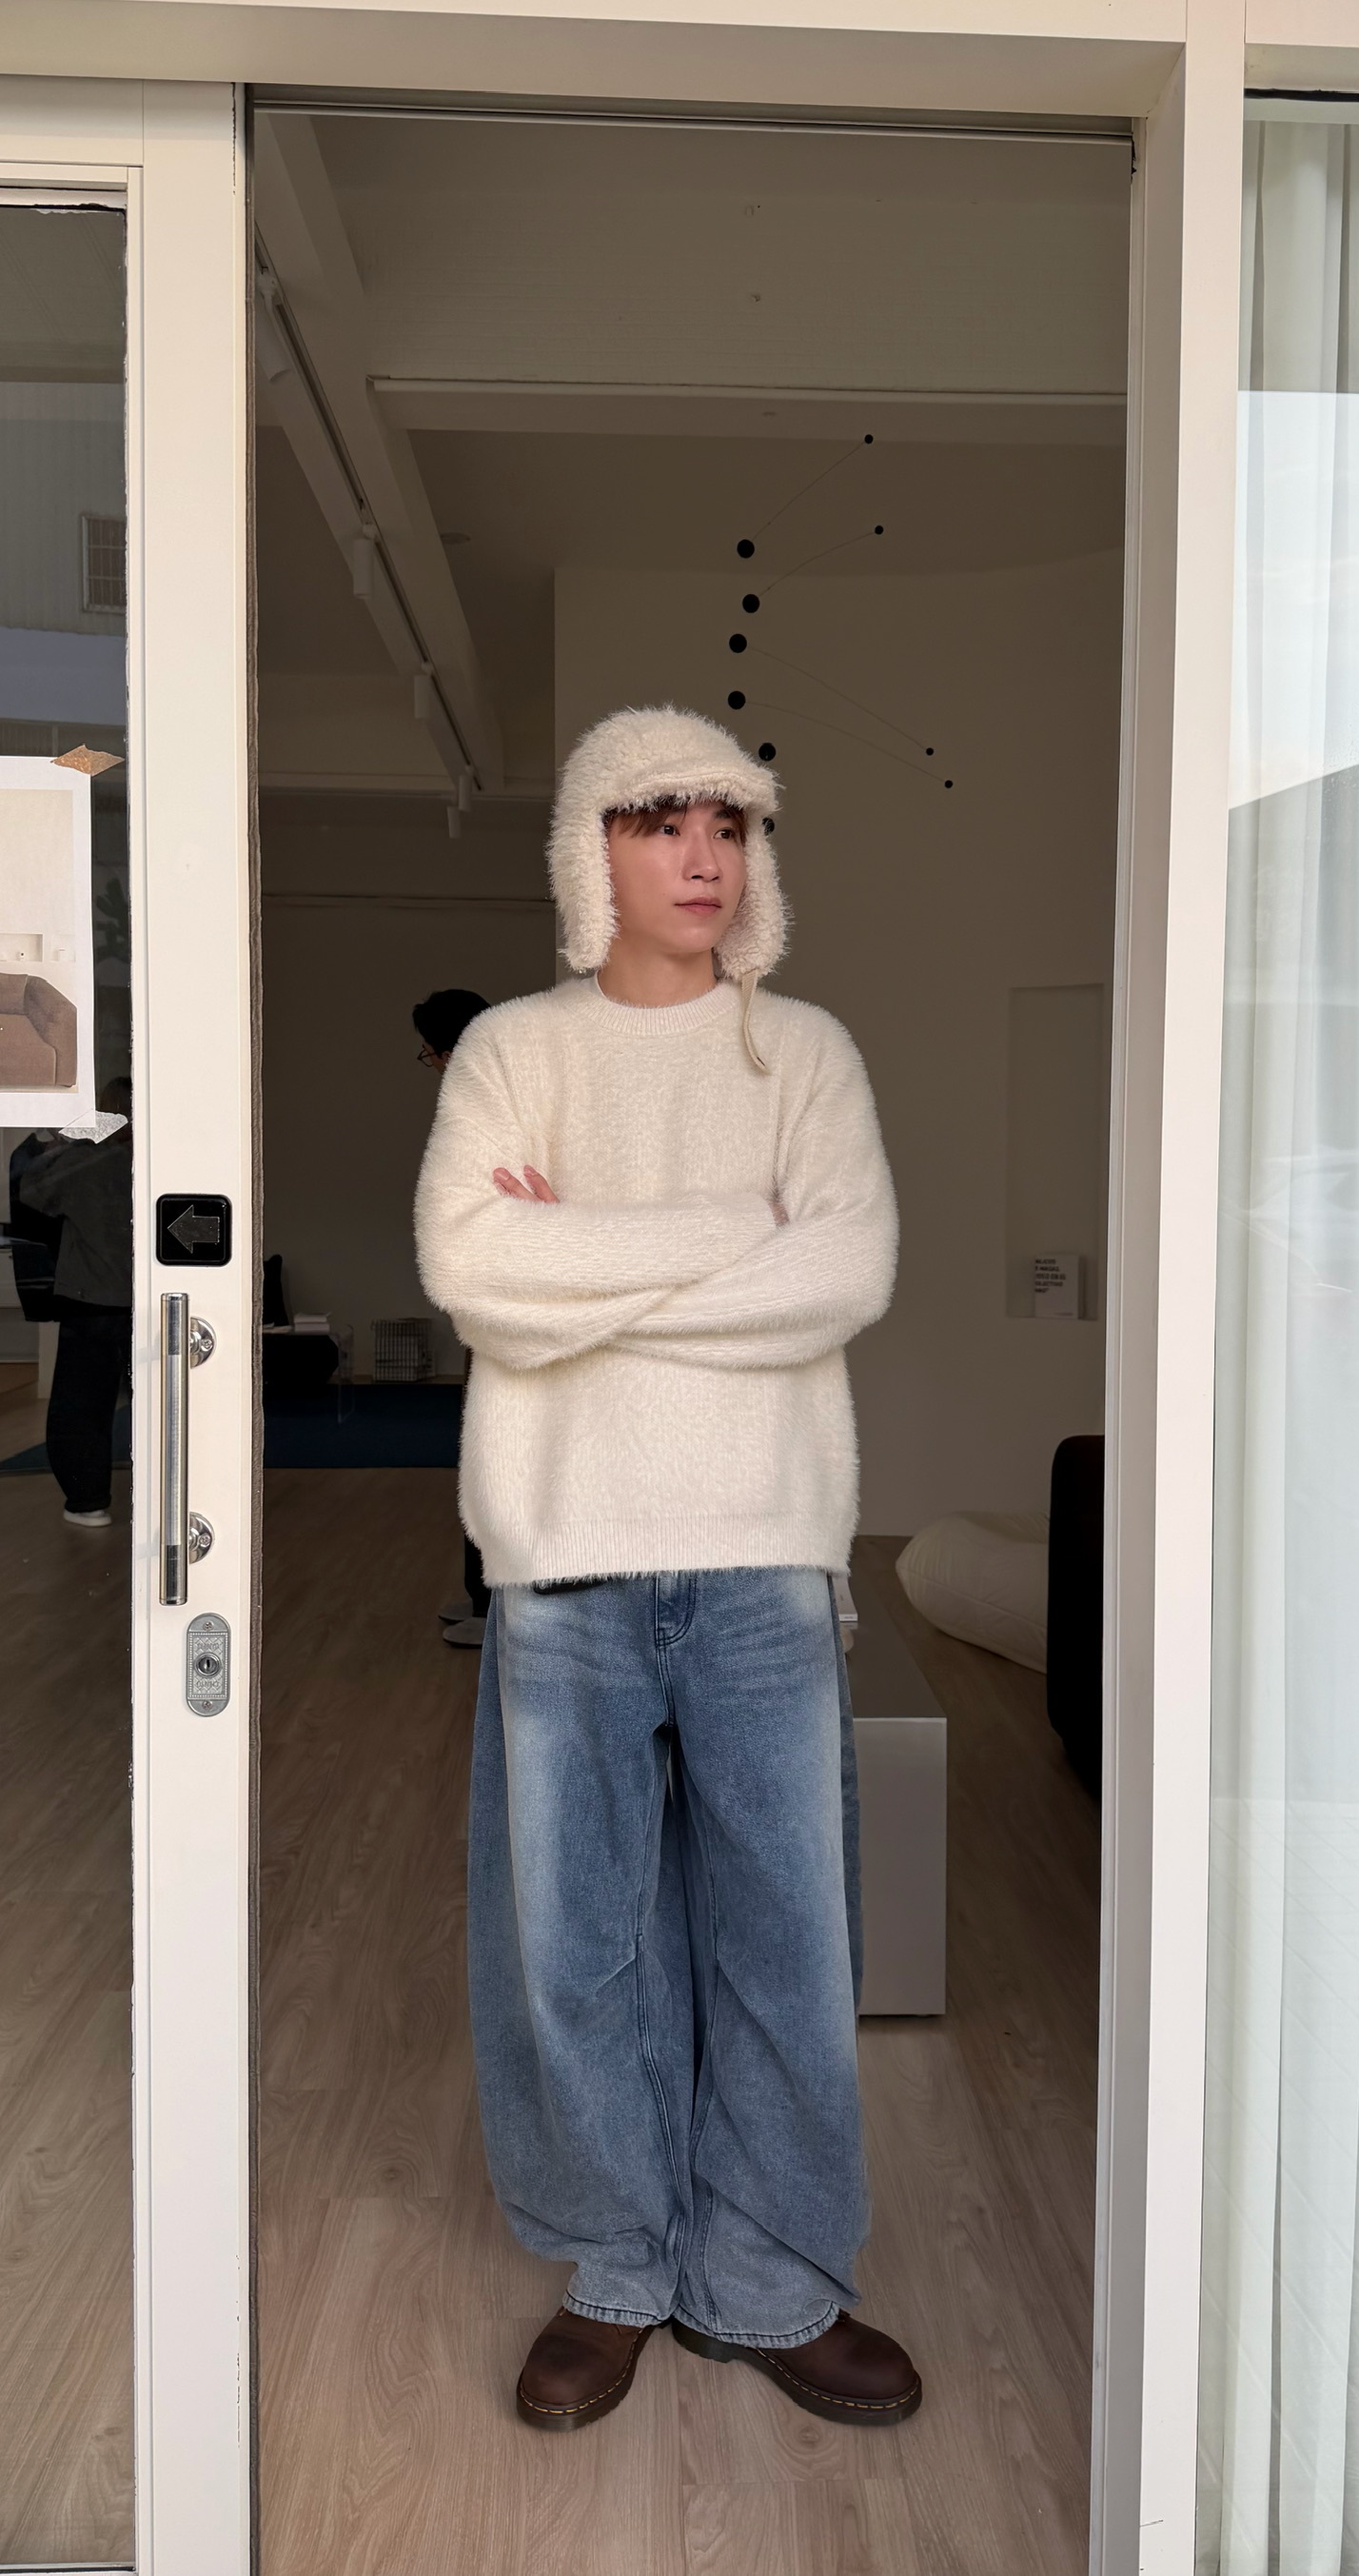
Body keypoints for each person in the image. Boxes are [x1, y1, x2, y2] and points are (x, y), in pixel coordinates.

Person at [416, 706, 919, 2431]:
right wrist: (730, 1235)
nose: (703, 856)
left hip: (765, 1557)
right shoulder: (513, 1051)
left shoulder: (809, 1058)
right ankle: (619, 2266)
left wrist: (579, 1266)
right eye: (660, 821)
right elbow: (475, 1274)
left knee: (785, 1939)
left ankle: (767, 2279)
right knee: (575, 1948)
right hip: (564, 1561)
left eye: (731, 823)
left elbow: (844, 1275)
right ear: (592, 848)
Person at [412, 987, 492, 1649]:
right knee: (480, 1449)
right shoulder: (493, 1091)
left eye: (431, 1053)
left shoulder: (488, 1100)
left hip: (498, 1300)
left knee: (490, 1451)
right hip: (487, 1296)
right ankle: (483, 1594)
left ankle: (495, 1607)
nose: (433, 1066)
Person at [16, 1076, 132, 1526]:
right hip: (152, 1298)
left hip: (91, 1297)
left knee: (81, 1407)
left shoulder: (85, 1162)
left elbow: (31, 1191)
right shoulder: (159, 1159)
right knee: (163, 1401)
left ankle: (88, 1501)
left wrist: (69, 1137)